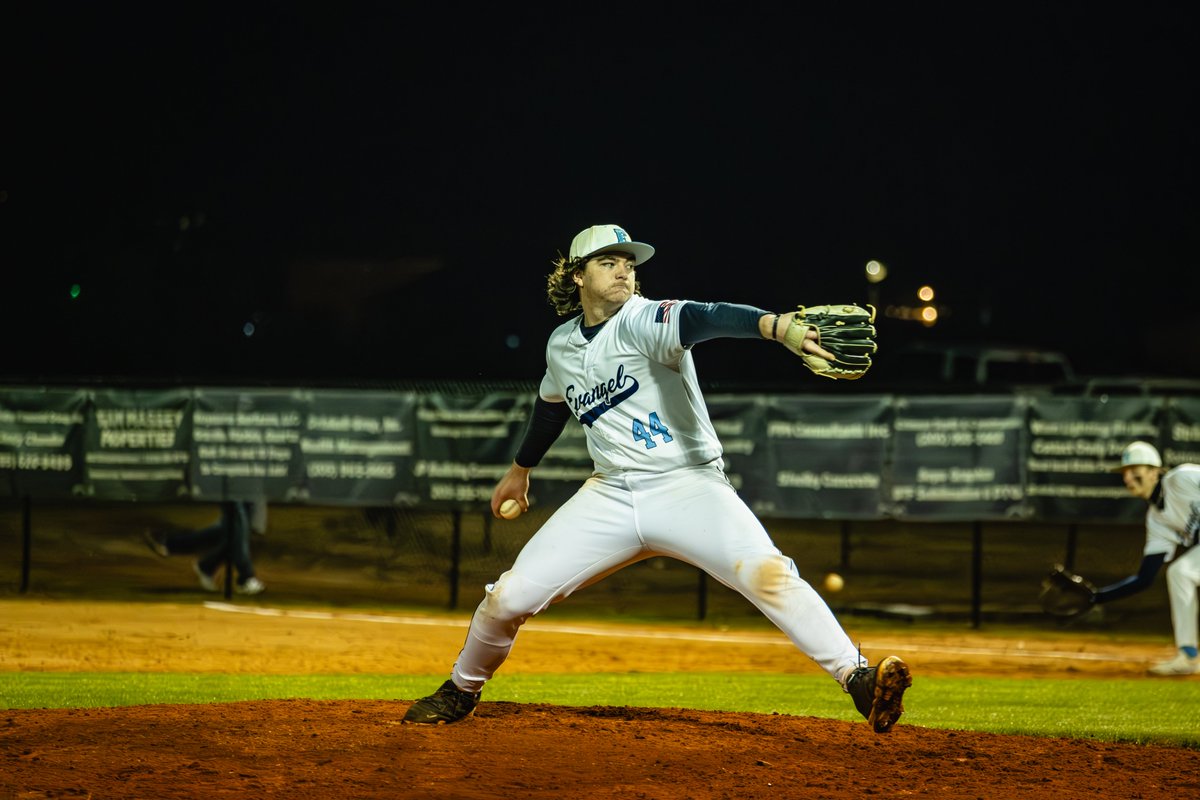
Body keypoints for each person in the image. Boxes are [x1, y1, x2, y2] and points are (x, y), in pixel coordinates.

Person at [403, 223, 912, 730]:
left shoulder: (643, 318)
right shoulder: (560, 344)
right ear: (577, 276)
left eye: (628, 263)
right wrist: (520, 470)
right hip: (609, 495)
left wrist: (777, 327)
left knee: (768, 573)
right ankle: (461, 690)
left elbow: (705, 316)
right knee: (506, 598)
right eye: (608, 262)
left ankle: (858, 679)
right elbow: (550, 405)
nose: (623, 271)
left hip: (688, 486)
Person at [1096, 441, 1200, 675]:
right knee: (1180, 573)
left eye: (1134, 470)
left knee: (1181, 572)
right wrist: (1098, 597)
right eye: (1124, 473)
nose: (1127, 478)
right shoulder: (1156, 520)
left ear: (1154, 472)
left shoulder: (1181, 478)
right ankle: (1188, 655)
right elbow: (1145, 577)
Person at [144, 500, 266, 595]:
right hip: (231, 481)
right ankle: (245, 577)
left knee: (235, 530)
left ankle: (205, 564)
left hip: (249, 482)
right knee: (236, 523)